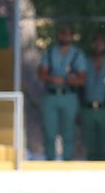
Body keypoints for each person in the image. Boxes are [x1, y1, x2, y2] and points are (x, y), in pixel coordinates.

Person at [37, 26, 86, 160]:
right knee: (49, 131)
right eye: (63, 33)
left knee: (68, 132)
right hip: (51, 95)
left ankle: (67, 161)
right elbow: (42, 74)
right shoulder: (50, 52)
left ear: (72, 37)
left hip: (69, 95)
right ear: (59, 36)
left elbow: (82, 79)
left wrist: (68, 80)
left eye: (68, 34)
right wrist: (52, 78)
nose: (65, 36)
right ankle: (50, 159)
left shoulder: (77, 55)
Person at [81, 34, 105, 161]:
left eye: (101, 43)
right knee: (89, 147)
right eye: (95, 43)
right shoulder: (85, 64)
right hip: (87, 109)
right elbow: (78, 89)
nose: (98, 46)